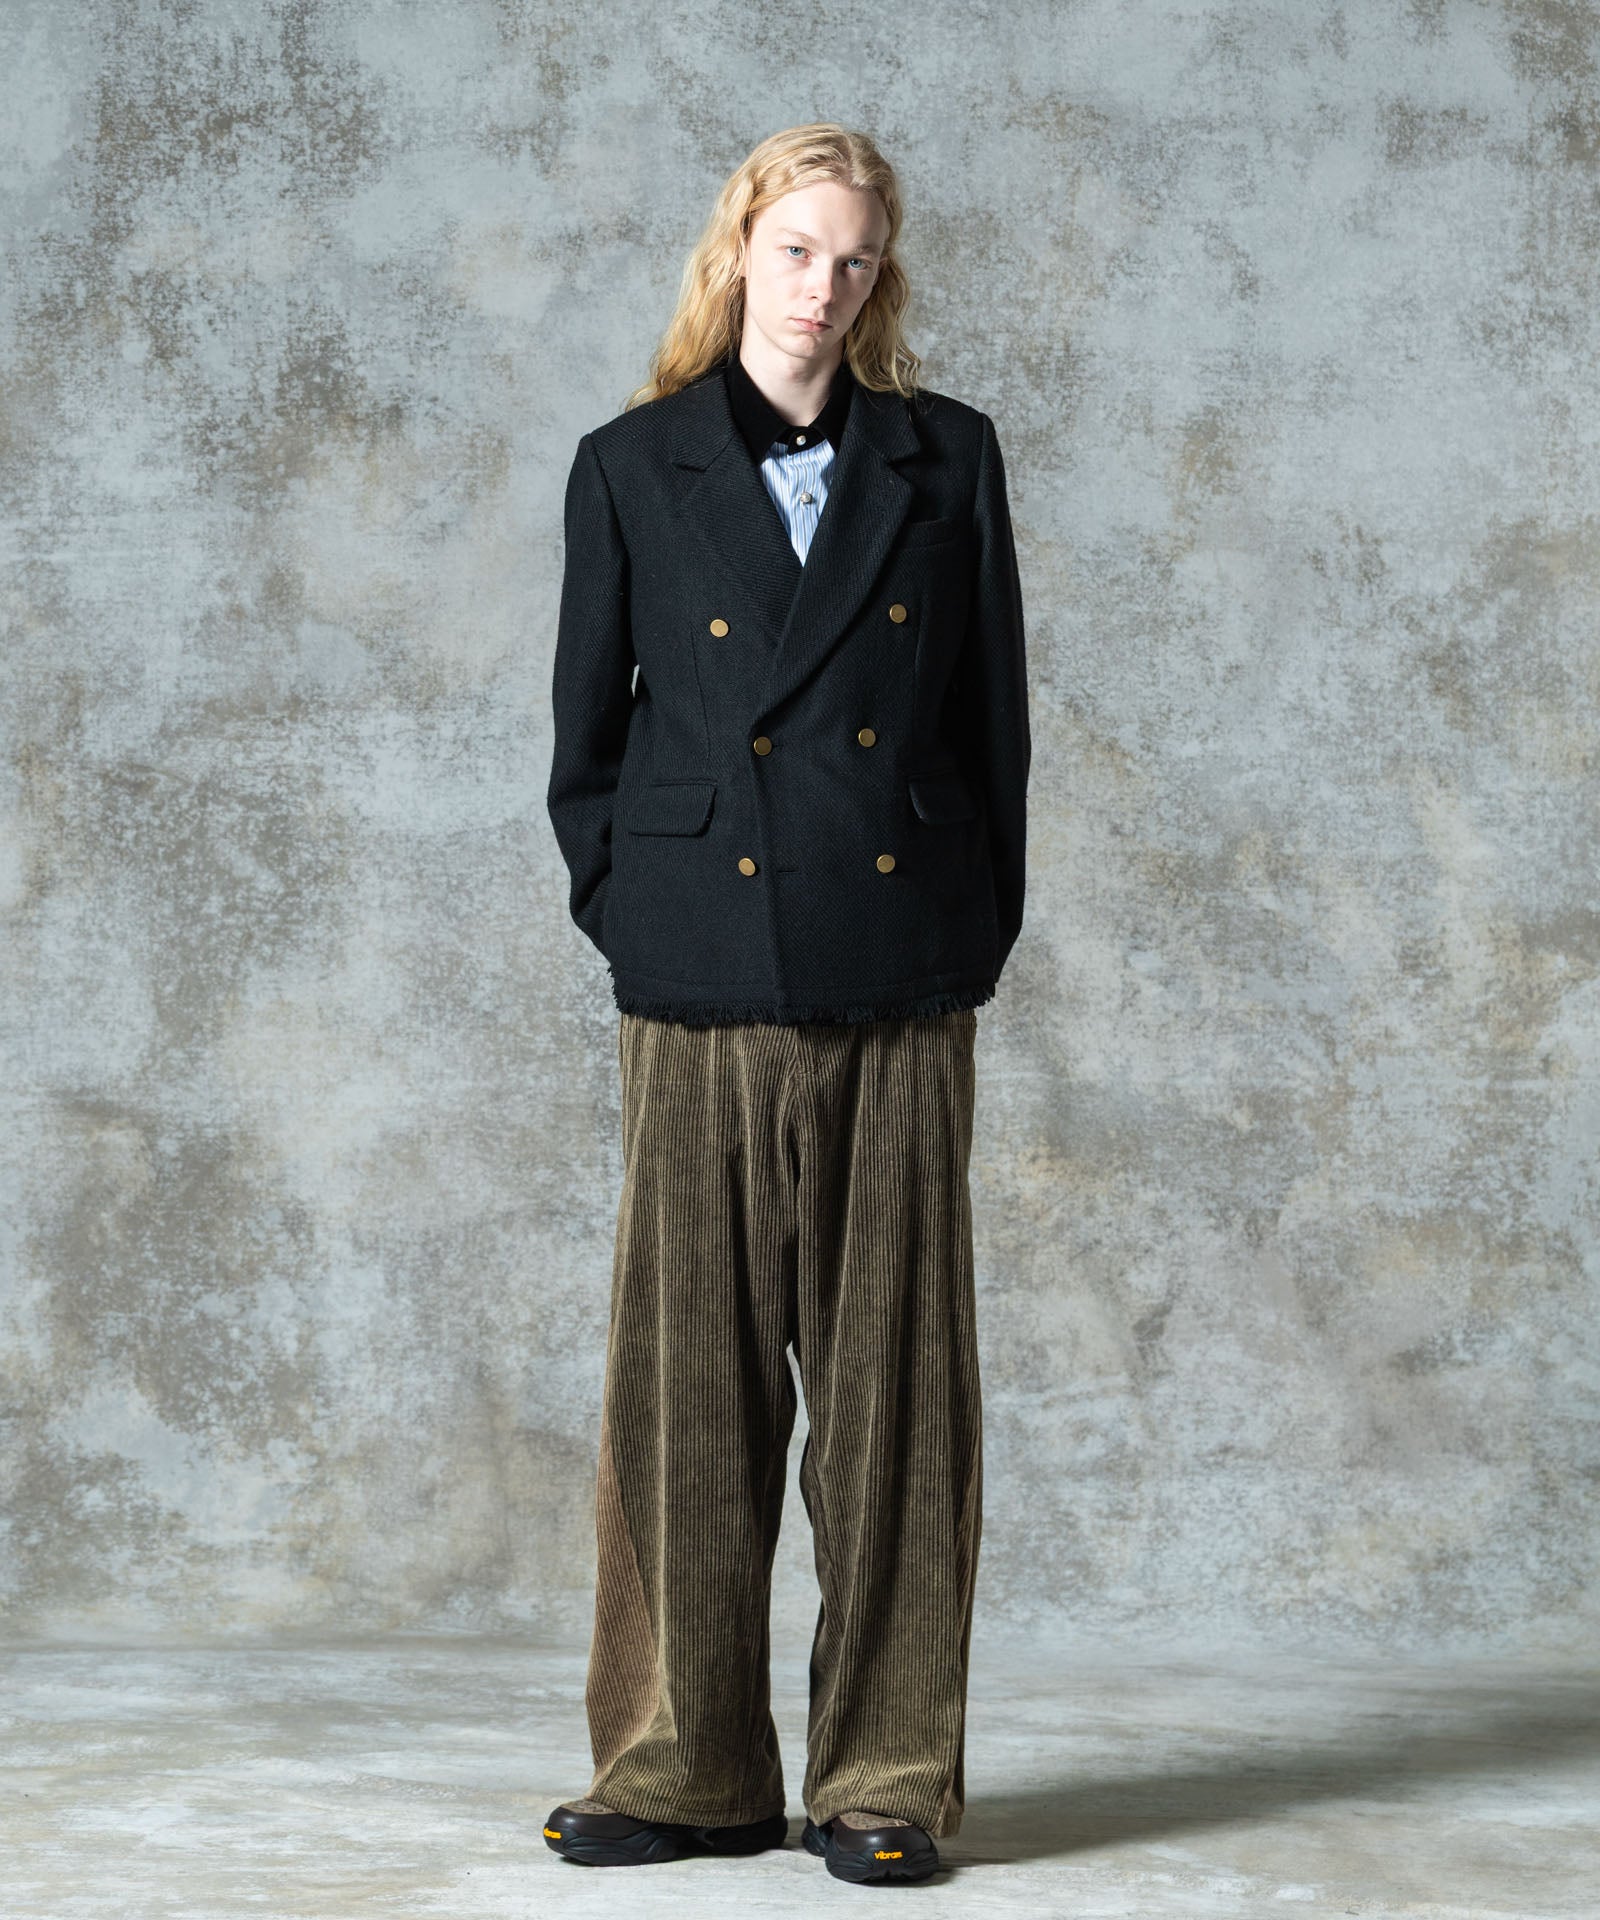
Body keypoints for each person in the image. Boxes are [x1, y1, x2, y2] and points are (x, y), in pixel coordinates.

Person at [542, 121, 1030, 1887]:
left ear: (881, 278)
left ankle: (884, 1776)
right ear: (740, 250)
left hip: (898, 968)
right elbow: (588, 747)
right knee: (687, 1395)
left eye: (856, 258)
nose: (825, 286)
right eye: (798, 248)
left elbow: (992, 729)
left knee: (897, 1400)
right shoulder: (631, 464)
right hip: (697, 975)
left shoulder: (945, 457)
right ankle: (685, 1768)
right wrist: (638, 917)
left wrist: (967, 939)